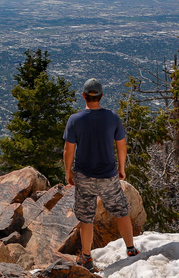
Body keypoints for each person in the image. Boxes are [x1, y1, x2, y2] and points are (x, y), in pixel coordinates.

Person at [63, 78, 140, 270]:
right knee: (121, 211)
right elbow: (121, 145)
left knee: (86, 217)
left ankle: (86, 257)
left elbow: (68, 150)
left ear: (84, 96)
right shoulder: (112, 117)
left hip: (84, 176)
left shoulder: (75, 120)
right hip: (108, 175)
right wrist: (121, 168)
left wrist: (68, 172)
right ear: (101, 96)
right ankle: (131, 249)